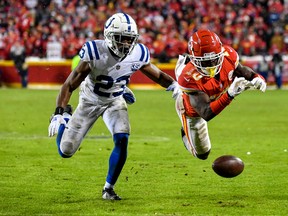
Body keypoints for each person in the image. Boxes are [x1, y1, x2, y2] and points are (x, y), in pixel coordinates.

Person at [48, 13, 177, 200]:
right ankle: (66, 119)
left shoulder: (138, 53)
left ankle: (108, 189)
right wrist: (59, 112)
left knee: (122, 138)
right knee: (65, 151)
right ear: (108, 36)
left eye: (129, 39)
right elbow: (70, 84)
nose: (125, 44)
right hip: (90, 100)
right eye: (121, 39)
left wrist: (174, 85)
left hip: (114, 100)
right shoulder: (95, 51)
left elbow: (157, 75)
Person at [174, 29, 266, 160]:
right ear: (194, 59)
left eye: (214, 59)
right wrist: (230, 94)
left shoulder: (228, 55)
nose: (211, 65)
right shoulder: (188, 77)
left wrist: (257, 77)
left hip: (213, 97)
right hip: (193, 111)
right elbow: (206, 113)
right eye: (205, 62)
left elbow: (243, 71)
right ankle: (185, 131)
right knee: (202, 154)